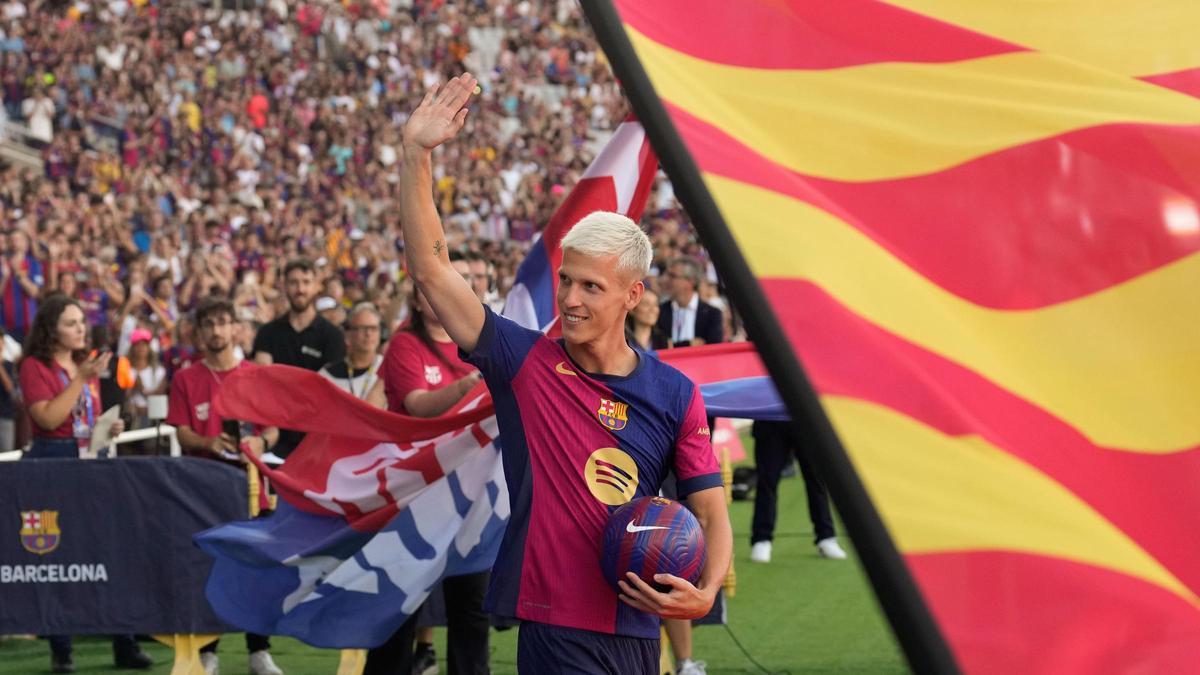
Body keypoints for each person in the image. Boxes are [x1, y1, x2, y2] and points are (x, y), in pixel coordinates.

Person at [399, 74, 732, 674]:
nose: (571, 298)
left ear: (633, 295)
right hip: (554, 628)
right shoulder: (524, 361)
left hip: (637, 626)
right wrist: (417, 154)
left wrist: (707, 591)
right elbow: (432, 270)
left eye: (591, 286)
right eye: (566, 280)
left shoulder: (674, 393)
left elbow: (710, 509)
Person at [364, 261, 487, 675]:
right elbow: (416, 406)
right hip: (417, 492)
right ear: (417, 297)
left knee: (470, 602)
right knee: (401, 602)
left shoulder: (479, 338)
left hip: (470, 490)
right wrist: (462, 389)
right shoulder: (404, 344)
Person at [16, 294, 150, 674]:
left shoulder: (81, 366)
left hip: (91, 458)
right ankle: (62, 649)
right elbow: (47, 418)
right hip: (52, 462)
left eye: (81, 322)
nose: (81, 328)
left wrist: (108, 427)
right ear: (51, 329)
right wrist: (82, 379)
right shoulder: (34, 366)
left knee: (109, 550)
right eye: (71, 323)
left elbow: (79, 419)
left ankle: (124, 642)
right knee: (57, 559)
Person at [166, 296, 283, 675]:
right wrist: (208, 443)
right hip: (203, 488)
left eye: (222, 322)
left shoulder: (255, 375)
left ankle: (258, 652)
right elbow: (182, 433)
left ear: (236, 327)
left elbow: (273, 429)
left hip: (252, 484)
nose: (216, 330)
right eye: (208, 325)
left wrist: (259, 444)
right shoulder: (186, 377)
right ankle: (208, 651)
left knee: (256, 570)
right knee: (208, 570)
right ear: (198, 334)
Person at [252, 258, 346, 459]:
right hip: (275, 435)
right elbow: (263, 379)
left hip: (318, 437)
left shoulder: (332, 336)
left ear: (316, 286)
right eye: (294, 282)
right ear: (284, 286)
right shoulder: (268, 333)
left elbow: (331, 389)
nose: (300, 289)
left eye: (306, 282)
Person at [749, 420, 847, 563]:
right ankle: (762, 539)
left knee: (817, 479)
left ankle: (826, 537)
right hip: (770, 419)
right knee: (767, 480)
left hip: (805, 418)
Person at [319, 302, 383, 401]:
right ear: (349, 334)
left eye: (373, 328)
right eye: (362, 328)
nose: (368, 333)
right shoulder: (328, 375)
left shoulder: (389, 368)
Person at [656, 257, 724, 348]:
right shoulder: (660, 311)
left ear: (690, 281)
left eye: (672, 276)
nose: (666, 280)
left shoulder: (712, 314)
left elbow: (714, 349)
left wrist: (672, 345)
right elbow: (657, 346)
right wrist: (688, 344)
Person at [625, 287, 668, 351]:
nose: (653, 309)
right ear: (632, 310)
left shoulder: (664, 342)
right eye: (646, 304)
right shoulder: (622, 341)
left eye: (655, 305)